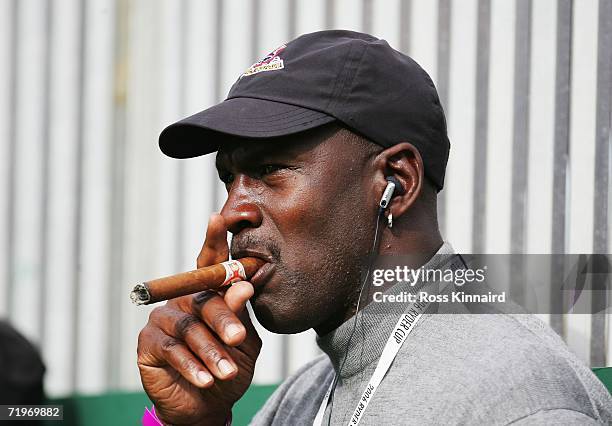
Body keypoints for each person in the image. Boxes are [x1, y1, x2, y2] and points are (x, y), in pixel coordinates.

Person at [136, 30, 612, 425]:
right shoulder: (302, 399)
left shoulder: (512, 397)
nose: (233, 211)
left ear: (396, 183)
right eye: (229, 179)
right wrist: (188, 423)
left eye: (269, 170)